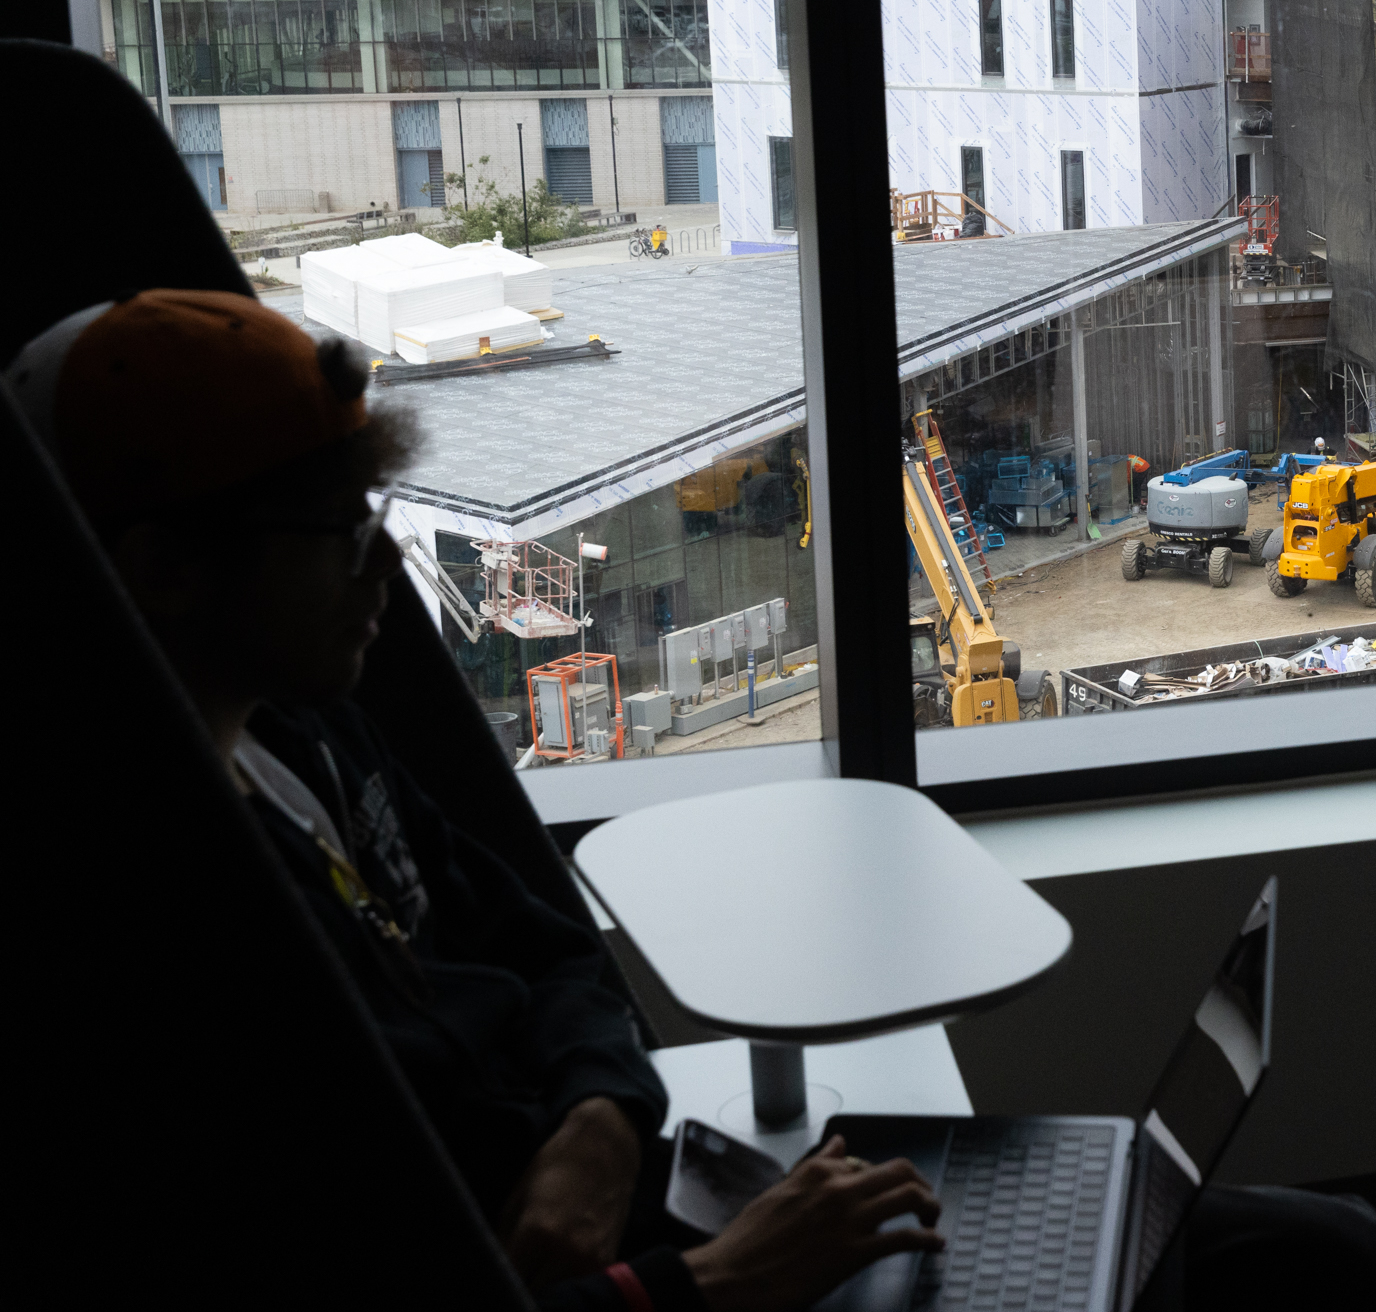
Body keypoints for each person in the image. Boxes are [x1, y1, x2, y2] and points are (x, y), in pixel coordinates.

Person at [8, 291, 943, 1311]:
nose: (385, 562)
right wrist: (715, 1281)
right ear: (165, 571)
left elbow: (548, 949)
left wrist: (603, 1120)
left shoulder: (310, 739)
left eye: (375, 511)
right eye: (332, 526)